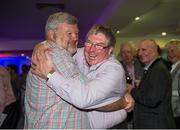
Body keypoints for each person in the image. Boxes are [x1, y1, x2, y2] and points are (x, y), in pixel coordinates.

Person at [25, 12, 133, 129]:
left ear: (110, 50)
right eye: (89, 42)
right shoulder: (71, 54)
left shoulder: (113, 69)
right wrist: (41, 45)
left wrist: (50, 74)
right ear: (52, 35)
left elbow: (84, 99)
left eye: (100, 45)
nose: (92, 49)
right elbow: (83, 99)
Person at [127, 39, 175, 128]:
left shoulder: (158, 70)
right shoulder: (154, 68)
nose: (139, 54)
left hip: (155, 124)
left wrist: (132, 90)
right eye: (139, 50)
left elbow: (152, 100)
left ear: (154, 51)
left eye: (143, 50)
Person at [118, 42, 144, 128]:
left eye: (128, 52)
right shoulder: (117, 67)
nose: (126, 55)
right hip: (125, 105)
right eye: (123, 52)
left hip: (141, 103)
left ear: (133, 53)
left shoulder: (142, 65)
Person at [166, 39, 180, 128]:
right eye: (168, 51)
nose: (170, 54)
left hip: (177, 113)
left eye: (173, 51)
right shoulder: (172, 67)